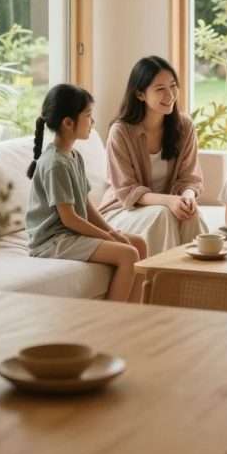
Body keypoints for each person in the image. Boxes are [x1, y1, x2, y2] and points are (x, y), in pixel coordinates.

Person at [26, 83, 146, 302]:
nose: (93, 122)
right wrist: (108, 237)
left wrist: (113, 232)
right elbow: (69, 219)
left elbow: (87, 207)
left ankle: (133, 315)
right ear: (68, 123)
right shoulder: (56, 164)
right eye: (88, 115)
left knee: (138, 243)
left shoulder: (74, 157)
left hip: (69, 235)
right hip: (53, 241)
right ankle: (111, 321)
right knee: (128, 254)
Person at [101, 56, 207, 254]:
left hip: (166, 207)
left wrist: (187, 196)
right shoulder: (121, 131)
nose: (170, 95)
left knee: (192, 215)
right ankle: (162, 282)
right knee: (163, 215)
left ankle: (198, 282)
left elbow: (190, 177)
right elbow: (126, 190)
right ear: (140, 94)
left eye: (173, 86)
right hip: (122, 211)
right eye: (160, 89)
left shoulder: (184, 126)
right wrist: (169, 201)